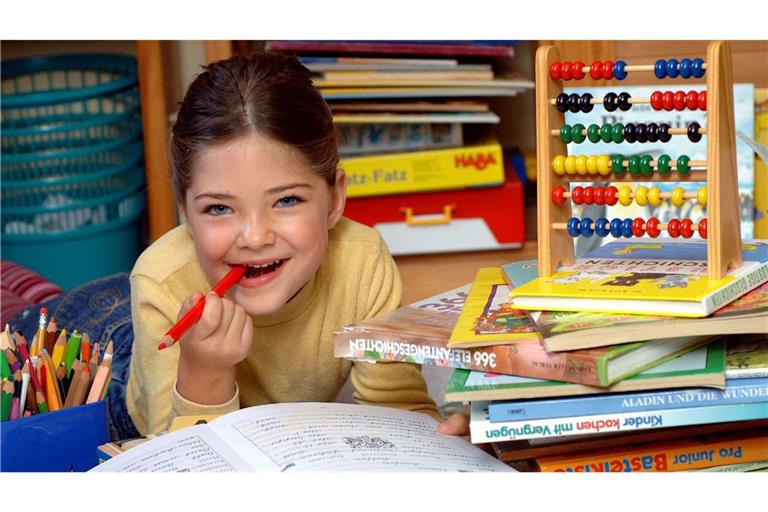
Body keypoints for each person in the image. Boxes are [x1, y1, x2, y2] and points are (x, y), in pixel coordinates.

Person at [126, 51, 470, 438]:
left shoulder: (362, 261)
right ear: (185, 213)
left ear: (334, 200)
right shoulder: (161, 281)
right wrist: (204, 373)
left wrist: (441, 439)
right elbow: (176, 460)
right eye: (219, 207)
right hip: (136, 373)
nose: (255, 237)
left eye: (286, 201)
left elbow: (397, 407)